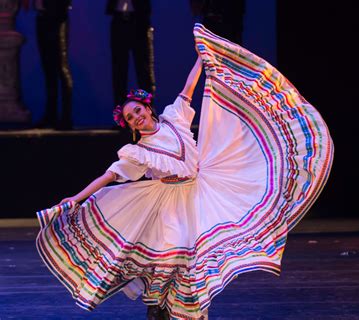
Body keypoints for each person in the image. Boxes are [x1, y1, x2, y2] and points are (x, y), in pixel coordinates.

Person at [36, 24, 334, 319]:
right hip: (167, 202)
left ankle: (182, 309)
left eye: (137, 110)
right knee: (171, 256)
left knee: (196, 257)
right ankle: (157, 307)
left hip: (199, 192)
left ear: (147, 108)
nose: (136, 117)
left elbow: (189, 88)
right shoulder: (137, 152)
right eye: (130, 118)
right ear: (128, 126)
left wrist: (202, 53)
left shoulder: (173, 118)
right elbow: (109, 176)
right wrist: (76, 198)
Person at [106, 0, 156, 107]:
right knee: (119, 73)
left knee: (144, 72)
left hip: (139, 21)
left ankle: (149, 113)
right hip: (119, 21)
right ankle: (120, 118)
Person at [33, 0, 73, 130]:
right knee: (48, 69)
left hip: (57, 19)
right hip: (42, 17)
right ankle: (51, 115)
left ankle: (66, 117)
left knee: (61, 67)